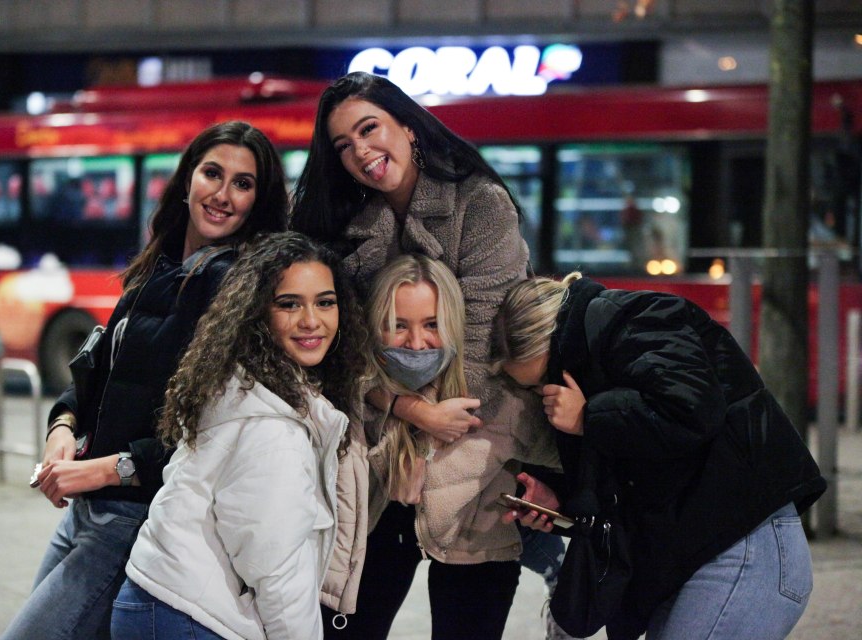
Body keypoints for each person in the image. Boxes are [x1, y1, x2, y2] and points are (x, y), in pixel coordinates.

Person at [291, 70, 562, 636]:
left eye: (370, 129)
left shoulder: (479, 204)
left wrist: (427, 420)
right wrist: (411, 412)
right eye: (344, 145)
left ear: (409, 128)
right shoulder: (347, 228)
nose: (361, 151)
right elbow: (338, 353)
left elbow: (489, 341)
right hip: (384, 455)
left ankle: (549, 559)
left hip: (479, 445)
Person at [1, 121, 289, 640]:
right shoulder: (156, 267)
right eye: (212, 174)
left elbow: (212, 433)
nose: (223, 195)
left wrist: (109, 469)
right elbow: (97, 370)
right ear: (187, 180)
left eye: (243, 184)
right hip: (85, 513)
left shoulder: (236, 289)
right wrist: (62, 427)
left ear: (257, 201)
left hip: (133, 520)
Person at [491, 272, 827, 640]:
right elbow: (639, 465)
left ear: (556, 342)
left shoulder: (631, 317)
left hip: (744, 546)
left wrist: (589, 417)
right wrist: (561, 501)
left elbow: (693, 409)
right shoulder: (589, 358)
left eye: (544, 377)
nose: (545, 394)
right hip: (694, 553)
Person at [109, 231, 371, 640]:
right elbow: (277, 570)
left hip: (162, 602)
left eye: (325, 302)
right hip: (190, 618)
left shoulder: (244, 385)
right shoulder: (273, 430)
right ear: (257, 313)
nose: (311, 320)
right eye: (289, 304)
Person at [329, 253, 550, 639]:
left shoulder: (498, 395)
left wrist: (550, 493)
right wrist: (404, 417)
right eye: (398, 326)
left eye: (432, 324)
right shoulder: (352, 391)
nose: (416, 344)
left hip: (478, 547)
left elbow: (563, 460)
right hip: (375, 540)